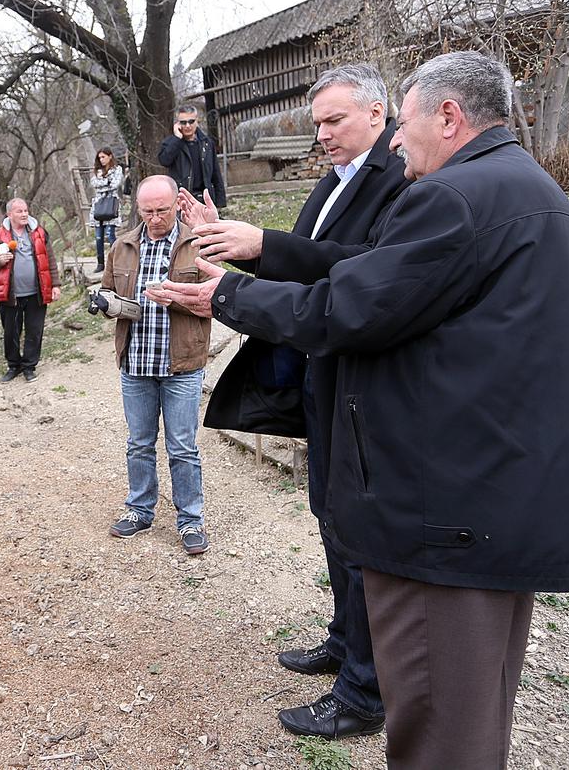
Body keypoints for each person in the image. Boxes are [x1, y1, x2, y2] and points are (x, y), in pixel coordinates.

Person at [147, 51, 569, 769]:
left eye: (404, 121)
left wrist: (224, 296)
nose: (394, 141)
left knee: (437, 729)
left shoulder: (452, 196)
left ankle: (360, 688)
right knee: (472, 717)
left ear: (448, 116)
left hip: (447, 512)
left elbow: (351, 304)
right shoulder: (532, 188)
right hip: (500, 492)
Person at [179, 64, 410, 740]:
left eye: (335, 120)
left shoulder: (399, 178)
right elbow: (305, 264)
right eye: (316, 124)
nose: (323, 134)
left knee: (360, 531)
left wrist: (264, 243)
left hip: (363, 379)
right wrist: (236, 243)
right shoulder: (335, 178)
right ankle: (345, 642)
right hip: (321, 375)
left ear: (377, 113)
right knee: (331, 516)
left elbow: (363, 269)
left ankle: (366, 689)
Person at [102, 175, 212, 555]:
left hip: (181, 364)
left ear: (175, 206)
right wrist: (106, 303)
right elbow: (108, 292)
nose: (154, 218)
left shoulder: (196, 242)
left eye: (162, 210)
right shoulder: (123, 246)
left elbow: (216, 298)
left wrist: (176, 300)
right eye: (147, 211)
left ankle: (191, 521)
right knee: (138, 444)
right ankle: (139, 510)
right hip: (136, 363)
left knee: (182, 448)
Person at [0, 198, 61, 383]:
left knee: (34, 331)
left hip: (37, 292)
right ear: (10, 214)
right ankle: (13, 365)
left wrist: (55, 285)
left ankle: (29, 367)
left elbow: (50, 260)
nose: (24, 214)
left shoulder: (39, 232)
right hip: (10, 294)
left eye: (26, 210)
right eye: (19, 211)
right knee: (11, 332)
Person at [157, 105, 225, 208]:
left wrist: (220, 203)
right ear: (178, 124)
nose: (188, 126)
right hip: (182, 199)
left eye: (191, 121)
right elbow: (164, 160)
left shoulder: (206, 143)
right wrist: (177, 139)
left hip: (205, 199)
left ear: (197, 121)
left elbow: (216, 174)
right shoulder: (171, 143)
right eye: (183, 122)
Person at [88, 147, 124, 272]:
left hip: (111, 204)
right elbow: (94, 184)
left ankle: (116, 262)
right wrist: (107, 182)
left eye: (103, 157)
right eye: (99, 158)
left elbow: (115, 184)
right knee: (98, 237)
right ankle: (100, 263)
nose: (101, 160)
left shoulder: (117, 169)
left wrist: (103, 183)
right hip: (98, 205)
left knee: (110, 235)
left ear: (110, 156)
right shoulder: (97, 171)